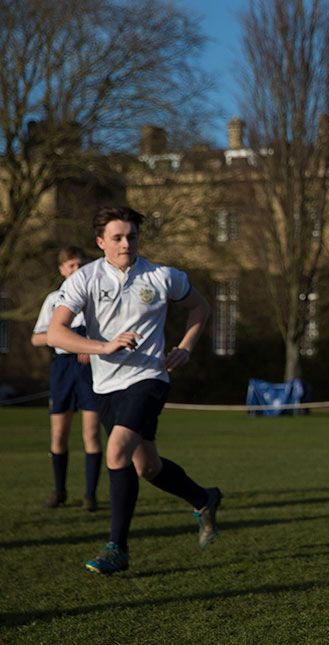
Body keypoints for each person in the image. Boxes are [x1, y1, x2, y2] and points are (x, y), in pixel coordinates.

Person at [47, 206, 221, 575]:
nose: (127, 243)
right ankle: (203, 498)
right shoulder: (85, 279)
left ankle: (117, 548)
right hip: (106, 386)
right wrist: (103, 346)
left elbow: (200, 307)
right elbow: (57, 332)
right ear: (101, 242)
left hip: (149, 379)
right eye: (118, 237)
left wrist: (186, 346)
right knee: (147, 466)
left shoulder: (162, 276)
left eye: (132, 236)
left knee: (115, 448)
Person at [31, 246, 102, 511]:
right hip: (63, 368)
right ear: (61, 269)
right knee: (59, 433)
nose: (76, 270)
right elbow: (37, 337)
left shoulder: (93, 297)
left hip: (90, 369)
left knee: (91, 433)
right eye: (71, 266)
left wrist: (88, 346)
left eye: (80, 265)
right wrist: (69, 341)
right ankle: (59, 491)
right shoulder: (53, 300)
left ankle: (90, 495)